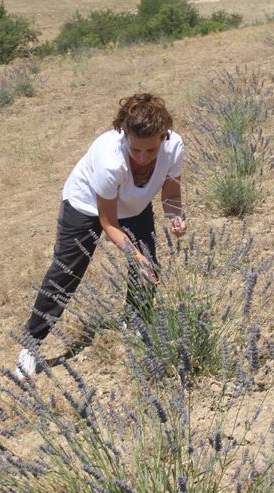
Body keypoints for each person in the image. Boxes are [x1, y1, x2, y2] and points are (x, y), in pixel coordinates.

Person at [16, 93, 188, 379]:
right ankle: (31, 345)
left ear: (163, 137)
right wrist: (134, 255)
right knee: (66, 272)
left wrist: (176, 217)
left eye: (151, 151)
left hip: (134, 205)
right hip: (86, 205)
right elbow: (108, 222)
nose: (144, 159)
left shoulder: (174, 147)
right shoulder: (110, 161)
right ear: (124, 135)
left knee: (148, 268)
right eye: (136, 151)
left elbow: (170, 193)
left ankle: (133, 323)